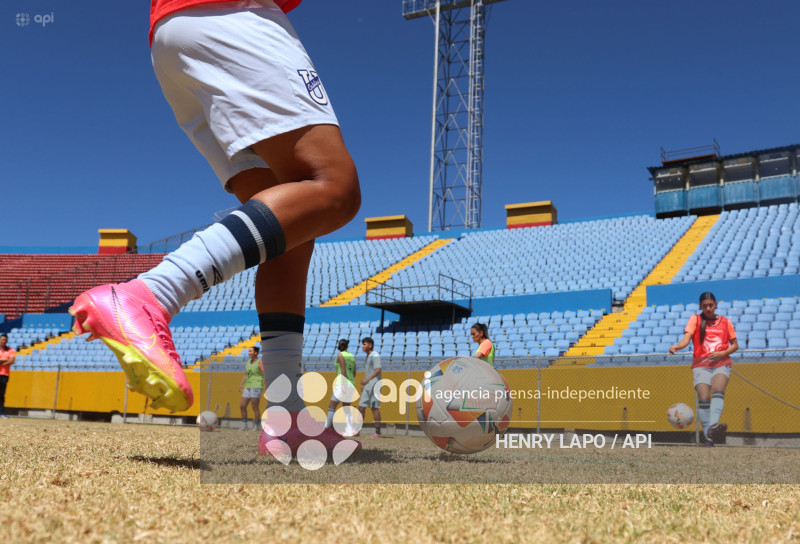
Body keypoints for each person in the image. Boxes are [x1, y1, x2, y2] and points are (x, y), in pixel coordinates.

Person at [68, 0, 361, 457]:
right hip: (231, 16)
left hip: (173, 37)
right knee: (333, 188)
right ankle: (150, 294)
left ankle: (287, 419)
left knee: (293, 234)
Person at [669, 292, 738, 447]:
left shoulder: (725, 322)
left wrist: (722, 353)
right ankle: (709, 437)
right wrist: (677, 347)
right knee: (704, 399)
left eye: (710, 305)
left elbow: (735, 345)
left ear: (715, 305)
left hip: (722, 363)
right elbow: (686, 339)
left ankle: (711, 430)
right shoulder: (695, 319)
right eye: (705, 306)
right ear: (700, 306)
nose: (708, 308)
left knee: (718, 391)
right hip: (701, 365)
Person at [325, 339, 357, 436]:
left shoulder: (340, 355)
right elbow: (354, 373)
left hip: (342, 383)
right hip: (351, 383)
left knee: (331, 406)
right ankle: (350, 430)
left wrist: (342, 385)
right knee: (346, 408)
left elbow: (343, 370)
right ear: (347, 346)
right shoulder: (351, 356)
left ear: (338, 346)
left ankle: (326, 429)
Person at [357, 337, 382, 437]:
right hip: (368, 386)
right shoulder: (368, 356)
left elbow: (378, 370)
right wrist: (366, 384)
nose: (362, 346)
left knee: (374, 408)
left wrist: (367, 381)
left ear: (370, 345)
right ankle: (357, 430)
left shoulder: (375, 355)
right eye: (362, 344)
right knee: (361, 407)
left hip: (374, 385)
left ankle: (378, 432)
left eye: (364, 344)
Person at [238, 346, 263, 431]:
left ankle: (256, 425)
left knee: (254, 406)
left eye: (250, 351)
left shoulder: (260, 361)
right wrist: (241, 384)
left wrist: (266, 384)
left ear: (255, 352)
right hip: (247, 386)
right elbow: (246, 374)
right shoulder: (248, 362)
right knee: (242, 406)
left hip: (256, 385)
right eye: (248, 351)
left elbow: (264, 372)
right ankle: (244, 425)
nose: (249, 353)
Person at [0, 333, 15, 419]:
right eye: (2, 339)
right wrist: (6, 360)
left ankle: (1, 412)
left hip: (5, 374)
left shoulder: (10, 350)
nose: (4, 341)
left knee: (2, 394)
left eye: (5, 340)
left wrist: (1, 362)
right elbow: (8, 360)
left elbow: (12, 360)